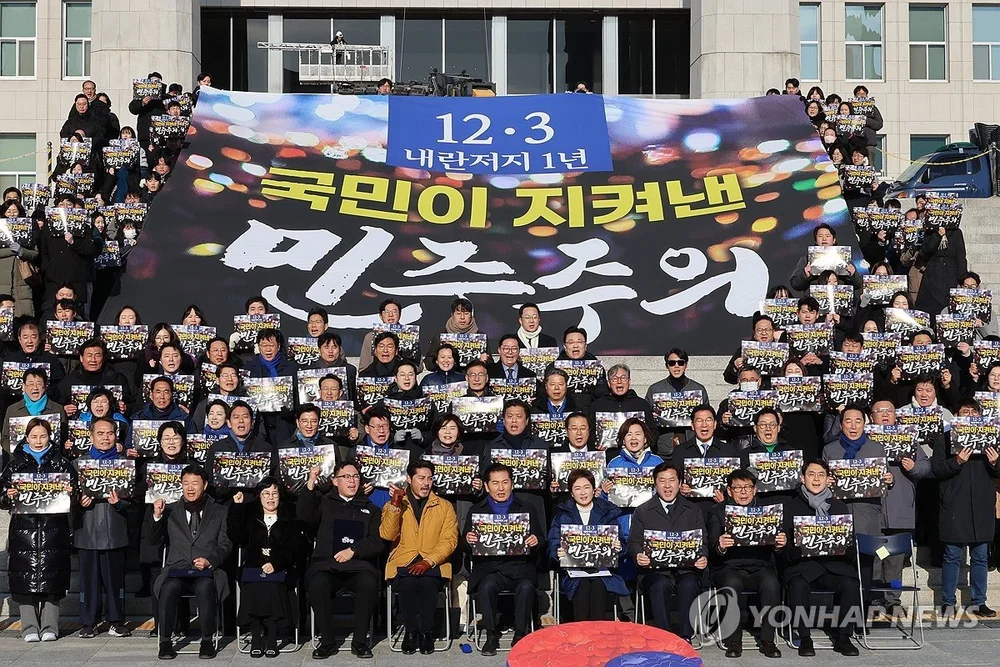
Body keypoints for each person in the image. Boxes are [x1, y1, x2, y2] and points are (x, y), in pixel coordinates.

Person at [0, 417, 75, 642]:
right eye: (34, 436)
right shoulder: (14, 465)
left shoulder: (62, 464)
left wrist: (72, 492)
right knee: (25, 579)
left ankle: (50, 626)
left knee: (53, 578)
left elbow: (78, 494)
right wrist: (7, 495)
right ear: (26, 438)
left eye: (43, 436)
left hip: (55, 530)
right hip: (24, 530)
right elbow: (2, 497)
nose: (39, 440)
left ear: (50, 437)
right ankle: (29, 627)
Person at [298, 460, 382, 659]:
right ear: (335, 481)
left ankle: (360, 642)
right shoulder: (324, 502)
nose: (352, 481)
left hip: (359, 566)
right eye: (346, 477)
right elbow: (305, 516)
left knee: (369, 582)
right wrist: (310, 483)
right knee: (317, 584)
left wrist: (354, 550)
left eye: (356, 477)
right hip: (327, 565)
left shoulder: (371, 508)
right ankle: (327, 642)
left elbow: (377, 541)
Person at [147, 464, 232, 660]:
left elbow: (225, 544)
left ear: (205, 485)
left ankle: (207, 641)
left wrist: (210, 561)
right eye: (186, 483)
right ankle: (165, 642)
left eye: (195, 483)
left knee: (205, 587)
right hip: (177, 569)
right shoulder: (170, 510)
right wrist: (157, 516)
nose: (190, 488)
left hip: (206, 571)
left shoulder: (219, 511)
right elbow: (152, 540)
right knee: (168, 588)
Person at [781, 459, 861, 657]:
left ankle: (844, 637)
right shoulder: (790, 507)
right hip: (803, 566)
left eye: (821, 475)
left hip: (834, 566)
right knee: (797, 584)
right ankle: (805, 638)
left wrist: (844, 547)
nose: (816, 479)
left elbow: (850, 545)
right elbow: (785, 549)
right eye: (811, 474)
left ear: (828, 479)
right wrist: (796, 548)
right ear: (802, 478)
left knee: (851, 583)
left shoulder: (840, 507)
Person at [464, 463, 546, 654]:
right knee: (486, 587)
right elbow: (464, 544)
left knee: (526, 587)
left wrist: (536, 540)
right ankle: (491, 634)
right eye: (495, 483)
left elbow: (541, 539)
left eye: (505, 482)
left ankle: (520, 634)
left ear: (512, 484)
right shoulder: (476, 510)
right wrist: (468, 540)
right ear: (486, 486)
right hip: (489, 568)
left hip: (519, 567)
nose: (501, 488)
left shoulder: (526, 508)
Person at [380, 460, 458, 655]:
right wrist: (395, 506)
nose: (426, 483)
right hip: (403, 560)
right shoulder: (395, 503)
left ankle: (425, 632)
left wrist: (428, 561)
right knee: (407, 584)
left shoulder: (444, 506)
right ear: (409, 479)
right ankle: (410, 631)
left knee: (427, 584)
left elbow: (449, 540)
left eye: (429, 478)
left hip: (434, 562)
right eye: (421, 478)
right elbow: (387, 535)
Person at [931, 397, 999, 618]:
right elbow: (937, 469)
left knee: (980, 556)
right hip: (955, 505)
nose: (969, 415)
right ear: (956, 416)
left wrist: (995, 462)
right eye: (964, 412)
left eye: (973, 412)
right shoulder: (944, 439)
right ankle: (948, 601)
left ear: (980, 416)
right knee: (952, 555)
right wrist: (957, 462)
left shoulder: (991, 439)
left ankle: (979, 602)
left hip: (981, 506)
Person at [706, 469, 784, 658]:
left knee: (772, 583)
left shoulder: (768, 511)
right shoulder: (717, 511)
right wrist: (720, 545)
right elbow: (712, 544)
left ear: (754, 490)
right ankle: (734, 641)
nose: (743, 492)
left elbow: (777, 544)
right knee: (731, 583)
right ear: (729, 491)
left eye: (747, 487)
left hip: (760, 565)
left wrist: (780, 544)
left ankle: (768, 640)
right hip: (728, 566)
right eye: (738, 488)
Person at [627, 462, 707, 641]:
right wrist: (638, 554)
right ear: (655, 483)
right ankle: (664, 636)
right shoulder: (642, 511)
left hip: (687, 569)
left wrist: (703, 556)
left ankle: (685, 636)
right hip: (655, 571)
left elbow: (703, 541)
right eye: (662, 481)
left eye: (672, 480)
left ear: (680, 483)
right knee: (660, 585)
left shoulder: (693, 510)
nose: (667, 486)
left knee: (689, 584)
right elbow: (633, 541)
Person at [866, 400, 931, 615]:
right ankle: (874, 599)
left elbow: (925, 466)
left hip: (900, 508)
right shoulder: (864, 440)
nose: (885, 415)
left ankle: (893, 599)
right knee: (875, 557)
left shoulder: (907, 439)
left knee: (895, 560)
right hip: (872, 510)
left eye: (889, 411)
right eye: (879, 411)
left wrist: (913, 467)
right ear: (871, 416)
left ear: (896, 415)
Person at [228, 477, 303, 657]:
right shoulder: (250, 516)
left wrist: (275, 563)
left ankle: (271, 638)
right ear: (259, 496)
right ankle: (256, 637)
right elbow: (236, 536)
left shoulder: (289, 517)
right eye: (266, 494)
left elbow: (295, 548)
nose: (270, 498)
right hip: (254, 566)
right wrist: (236, 507)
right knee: (254, 584)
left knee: (272, 586)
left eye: (274, 493)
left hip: (281, 567)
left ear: (280, 496)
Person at [74, 417, 131, 638]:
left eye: (110, 433)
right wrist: (78, 503)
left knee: (115, 580)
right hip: (87, 531)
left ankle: (116, 620)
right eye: (100, 433)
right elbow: (66, 500)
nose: (105, 438)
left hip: (114, 530)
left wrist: (120, 503)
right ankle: (88, 622)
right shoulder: (78, 464)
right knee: (89, 582)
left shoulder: (124, 464)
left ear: (116, 436)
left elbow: (133, 499)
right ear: (91, 436)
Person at [548, 469, 626, 622]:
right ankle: (581, 632)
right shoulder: (562, 516)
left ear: (593, 489)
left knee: (598, 585)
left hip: (602, 571)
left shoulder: (607, 512)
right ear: (571, 493)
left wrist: (619, 547)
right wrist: (557, 551)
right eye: (577, 488)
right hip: (573, 572)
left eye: (586, 487)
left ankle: (597, 633)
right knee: (581, 586)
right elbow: (553, 542)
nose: (583, 493)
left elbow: (622, 542)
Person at [671, 405, 738, 514]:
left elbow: (737, 484)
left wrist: (726, 500)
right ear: (692, 425)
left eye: (708, 420)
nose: (704, 424)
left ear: (715, 424)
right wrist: (680, 488)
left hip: (719, 511)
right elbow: (672, 481)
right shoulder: (680, 451)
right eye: (699, 421)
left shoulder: (728, 451)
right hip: (689, 511)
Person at [205, 400, 274, 496]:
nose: (241, 421)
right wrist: (221, 492)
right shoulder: (216, 449)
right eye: (236, 417)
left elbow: (273, 482)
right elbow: (209, 482)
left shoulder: (266, 449)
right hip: (224, 502)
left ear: (252, 422)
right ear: (229, 423)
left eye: (245, 417)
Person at [646, 348, 709, 453]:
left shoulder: (698, 389)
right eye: (672, 363)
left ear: (686, 365)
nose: (676, 366)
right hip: (664, 448)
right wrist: (652, 417)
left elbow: (707, 416)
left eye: (680, 363)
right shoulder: (655, 390)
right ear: (667, 366)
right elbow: (646, 420)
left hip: (692, 447)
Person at [58, 339, 135, 417]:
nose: (93, 360)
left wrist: (126, 408)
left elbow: (133, 405)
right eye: (89, 355)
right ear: (81, 358)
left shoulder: (117, 379)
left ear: (103, 358)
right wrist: (63, 410)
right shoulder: (70, 380)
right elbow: (56, 404)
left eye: (97, 356)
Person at [1, 369, 66, 458]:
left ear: (45, 386)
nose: (35, 387)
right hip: (20, 461)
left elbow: (63, 438)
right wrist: (18, 454)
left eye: (39, 384)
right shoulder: (13, 410)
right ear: (24, 387)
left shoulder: (57, 409)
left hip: (50, 460)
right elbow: (5, 438)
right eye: (31, 384)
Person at [915, 219, 968, 317]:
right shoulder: (929, 231)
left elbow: (960, 257)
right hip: (932, 274)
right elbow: (926, 251)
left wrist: (963, 279)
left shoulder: (956, 232)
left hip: (950, 274)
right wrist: (937, 235)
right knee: (930, 308)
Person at [788, 223, 861, 295]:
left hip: (839, 298)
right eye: (820, 236)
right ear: (816, 241)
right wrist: (805, 275)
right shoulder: (806, 260)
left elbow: (858, 284)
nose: (824, 239)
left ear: (834, 240)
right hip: (814, 300)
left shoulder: (844, 259)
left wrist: (852, 275)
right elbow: (795, 284)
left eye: (827, 236)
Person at [423, 298, 491, 372]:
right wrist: (441, 360)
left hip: (473, 377)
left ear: (471, 315)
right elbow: (428, 363)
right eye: (458, 314)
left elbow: (491, 364)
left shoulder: (480, 337)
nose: (462, 317)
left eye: (466, 314)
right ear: (452, 315)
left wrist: (485, 361)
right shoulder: (441, 336)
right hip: (448, 377)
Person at [127, 377, 195, 452]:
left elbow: (191, 446)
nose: (162, 397)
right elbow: (128, 446)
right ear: (151, 395)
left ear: (172, 395)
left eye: (166, 392)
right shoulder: (139, 418)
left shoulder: (184, 418)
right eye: (158, 392)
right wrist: (129, 452)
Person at [548, 326, 608, 411]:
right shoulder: (554, 367)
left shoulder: (596, 367)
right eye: (571, 342)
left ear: (585, 346)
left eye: (579, 342)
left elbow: (603, 393)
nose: (575, 346)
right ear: (565, 346)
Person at [5, 319, 65, 402]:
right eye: (25, 337)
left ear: (39, 339)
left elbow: (59, 385)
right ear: (19, 339)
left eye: (33, 337)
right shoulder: (10, 360)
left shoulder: (51, 359)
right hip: (16, 404)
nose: (29, 341)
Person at [590, 364, 654, 427]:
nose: (619, 381)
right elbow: (590, 430)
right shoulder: (597, 405)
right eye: (614, 378)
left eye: (623, 378)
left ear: (629, 381)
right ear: (609, 383)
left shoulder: (642, 405)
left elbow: (652, 430)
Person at [308, 331, 357, 401]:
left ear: (339, 349)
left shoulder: (350, 370)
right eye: (326, 347)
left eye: (334, 347)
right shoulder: (308, 371)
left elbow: (353, 397)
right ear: (319, 350)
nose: (330, 351)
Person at [358, 299, 402, 371]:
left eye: (394, 311)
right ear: (381, 316)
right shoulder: (370, 337)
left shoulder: (410, 335)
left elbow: (418, 366)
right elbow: (364, 366)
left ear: (399, 315)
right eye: (386, 312)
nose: (390, 315)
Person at [852, 85, 884, 163]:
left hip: (869, 144)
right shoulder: (851, 107)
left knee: (869, 165)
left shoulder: (873, 108)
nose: (861, 96)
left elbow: (879, 124)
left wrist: (866, 120)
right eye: (859, 94)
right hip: (854, 143)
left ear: (867, 95)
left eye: (863, 94)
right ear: (855, 96)